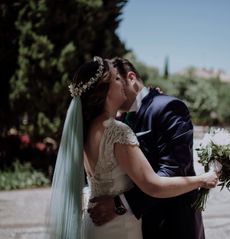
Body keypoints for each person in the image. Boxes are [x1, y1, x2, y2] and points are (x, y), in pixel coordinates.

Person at [47, 56, 219, 239]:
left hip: (166, 226)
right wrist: (203, 179)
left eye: (119, 78)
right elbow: (151, 184)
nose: (119, 83)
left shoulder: (167, 107)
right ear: (104, 90)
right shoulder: (115, 127)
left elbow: (174, 169)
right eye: (115, 79)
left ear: (131, 78)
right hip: (120, 227)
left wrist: (119, 202)